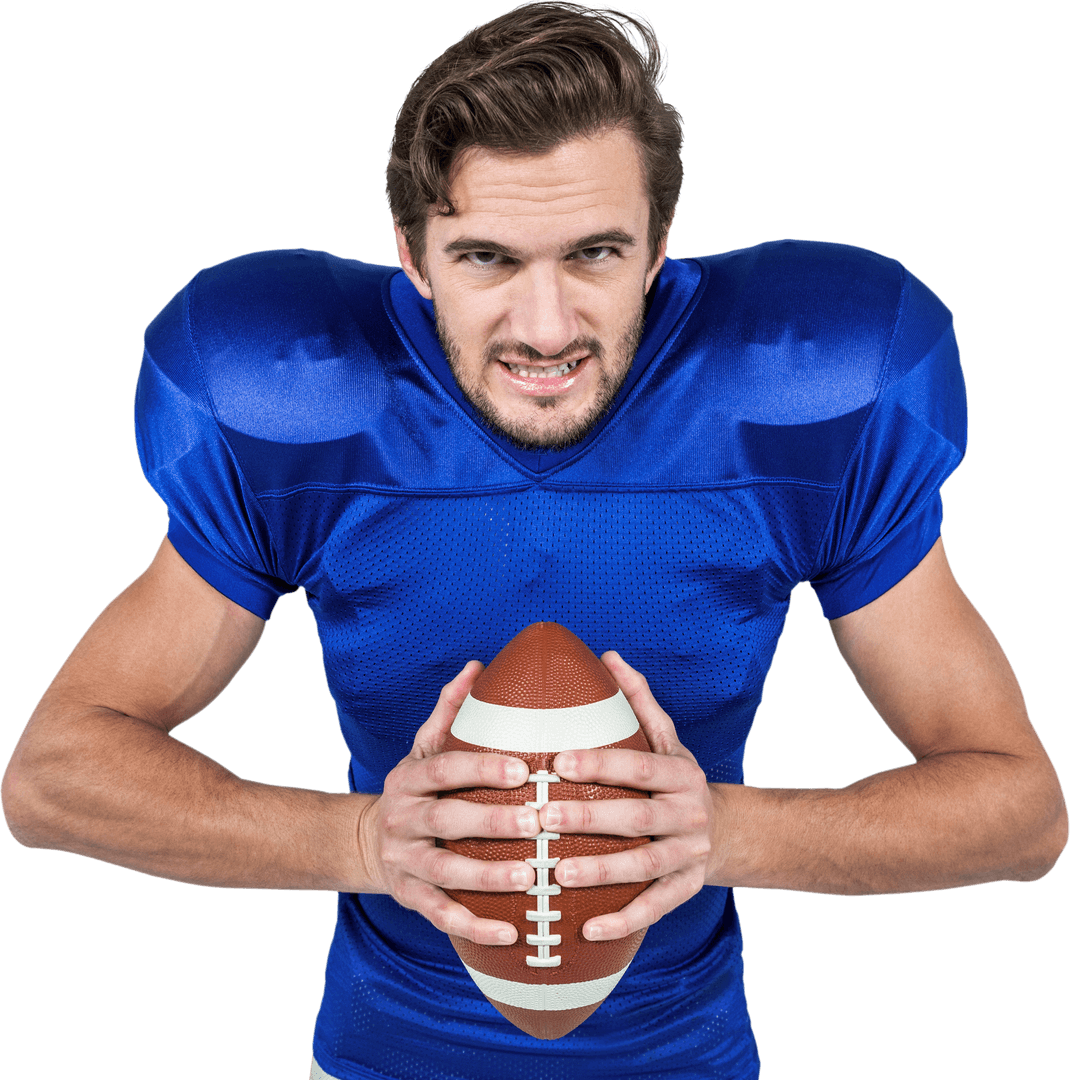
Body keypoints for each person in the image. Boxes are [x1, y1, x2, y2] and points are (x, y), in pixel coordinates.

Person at [2, 2, 1065, 1077]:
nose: (546, 327)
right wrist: (361, 843)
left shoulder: (804, 387)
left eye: (594, 253)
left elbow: (1021, 814)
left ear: (657, 241)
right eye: (486, 259)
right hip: (382, 1057)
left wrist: (725, 834)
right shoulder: (296, 398)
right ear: (412, 257)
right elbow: (51, 779)